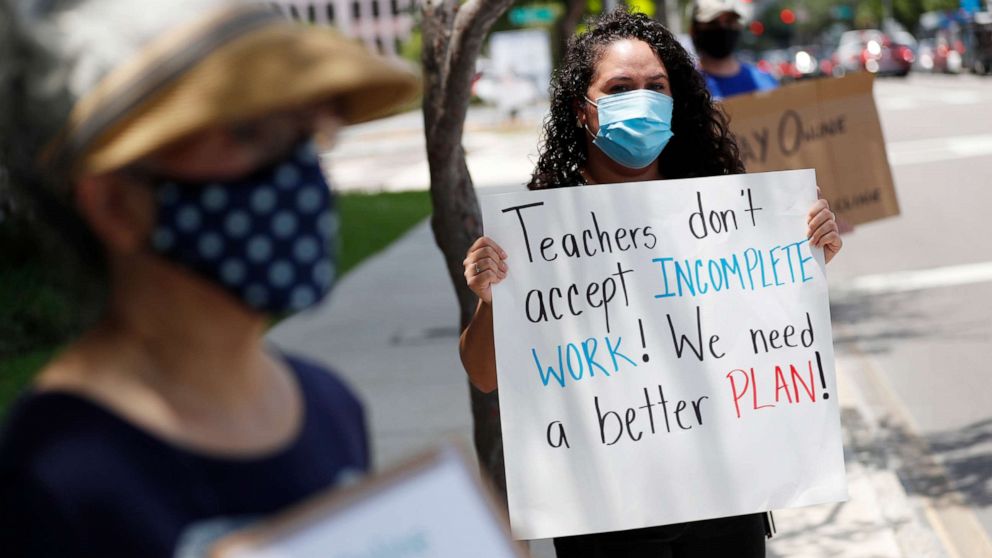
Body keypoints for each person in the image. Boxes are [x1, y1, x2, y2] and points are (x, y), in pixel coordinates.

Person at [0, 1, 417, 556]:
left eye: (309, 130)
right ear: (116, 204)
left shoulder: (331, 407)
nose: (301, 173)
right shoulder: (51, 473)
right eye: (247, 133)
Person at [459, 9, 841, 557]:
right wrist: (492, 303)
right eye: (620, 88)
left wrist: (808, 257)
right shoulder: (537, 234)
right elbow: (484, 375)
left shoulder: (721, 207)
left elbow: (763, 337)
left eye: (655, 87)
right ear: (582, 109)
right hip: (605, 514)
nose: (642, 100)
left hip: (727, 499)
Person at [690, 0, 778, 99]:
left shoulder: (765, 83)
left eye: (729, 21)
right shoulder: (685, 87)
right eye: (713, 23)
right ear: (694, 30)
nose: (722, 28)